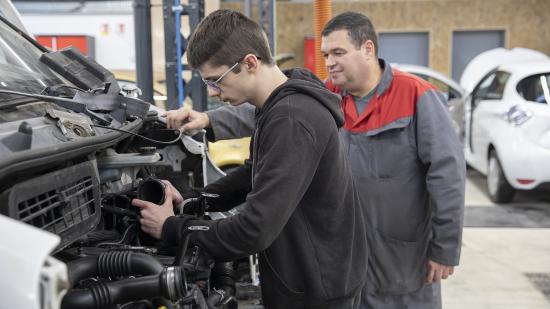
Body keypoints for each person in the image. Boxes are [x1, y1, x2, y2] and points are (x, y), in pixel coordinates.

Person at [165, 11, 466, 309]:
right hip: (335, 248)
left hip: (393, 247)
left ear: (368, 49)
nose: (330, 61)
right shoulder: (321, 93)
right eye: (325, 54)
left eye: (338, 52)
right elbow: (262, 119)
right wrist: (207, 121)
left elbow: (447, 175)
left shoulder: (415, 95)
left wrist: (445, 248)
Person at [133, 9, 367, 309]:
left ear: (250, 63)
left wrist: (172, 227)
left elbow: (253, 230)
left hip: (315, 290)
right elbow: (253, 174)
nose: (214, 93)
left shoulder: (292, 118)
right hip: (315, 273)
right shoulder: (280, 104)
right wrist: (193, 201)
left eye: (215, 81)